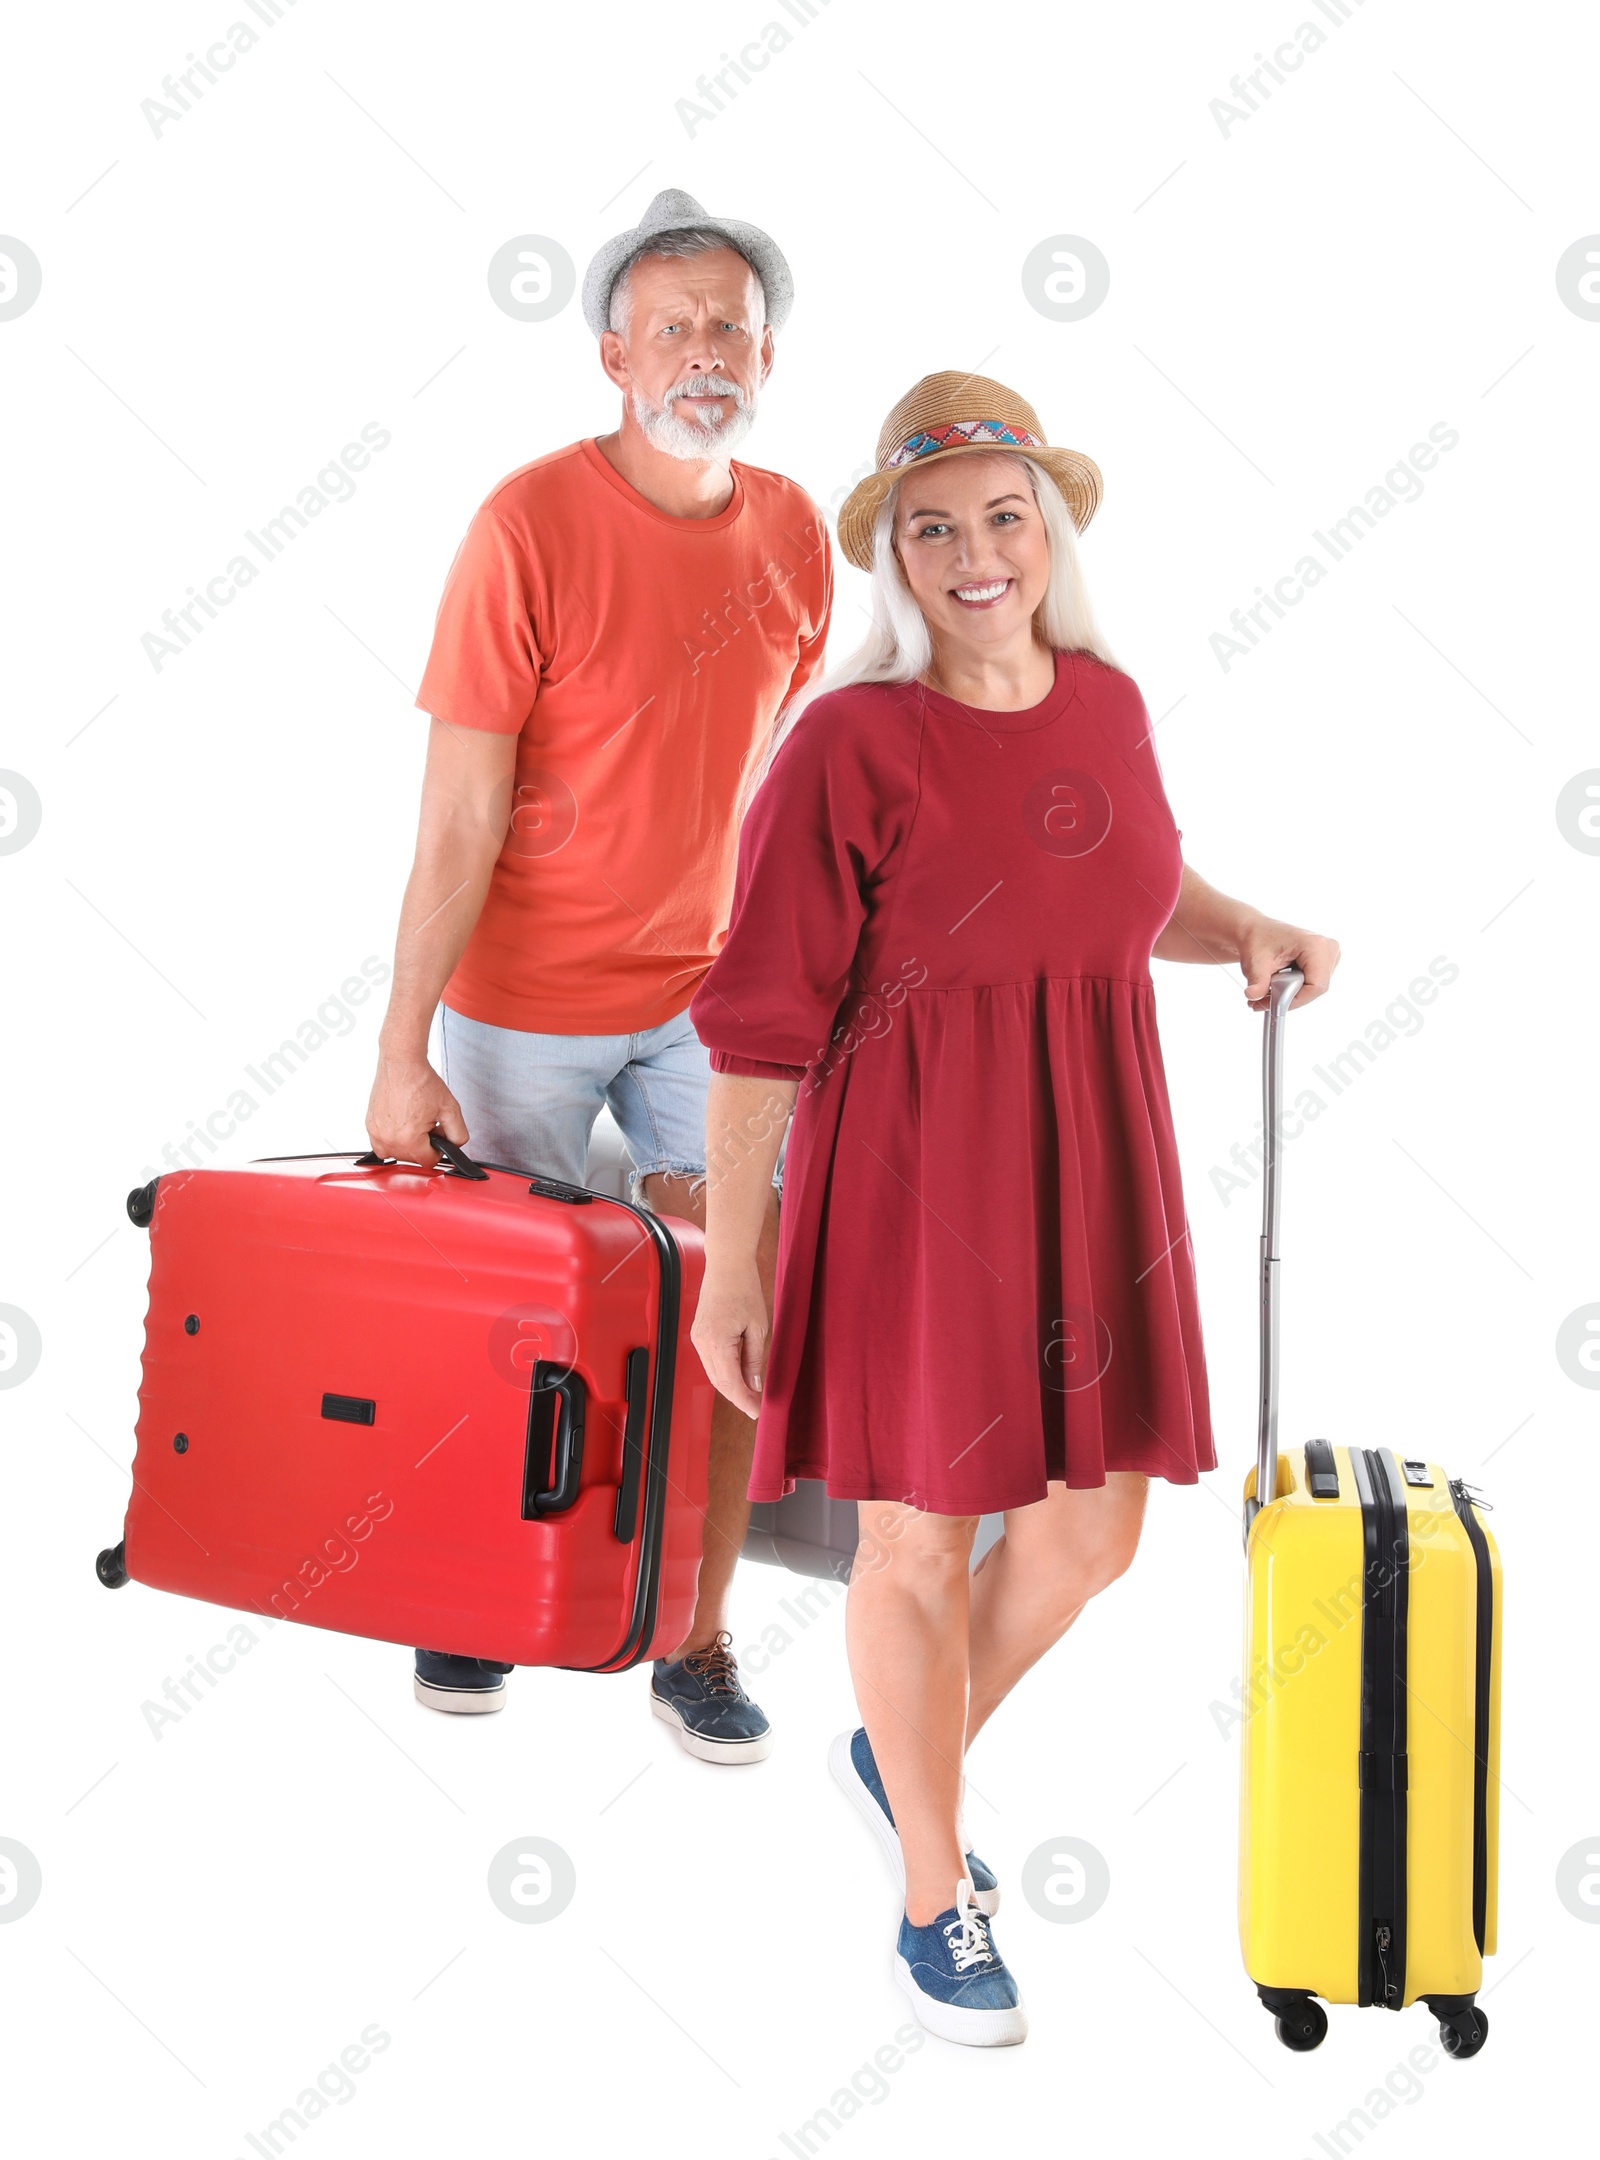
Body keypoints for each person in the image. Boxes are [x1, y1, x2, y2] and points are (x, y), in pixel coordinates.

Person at [687, 371, 1340, 2043]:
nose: (975, 552)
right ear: (894, 557)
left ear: (1046, 530)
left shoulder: (1106, 702)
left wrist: (1247, 920)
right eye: (934, 527)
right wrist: (737, 1263)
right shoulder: (852, 741)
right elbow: (760, 1026)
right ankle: (934, 1896)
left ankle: (904, 1746)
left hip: (1090, 1149)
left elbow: (1132, 880)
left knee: (1092, 1529)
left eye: (1002, 517)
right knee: (916, 1538)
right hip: (911, 1170)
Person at [365, 189, 833, 1759]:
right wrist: (400, 1047)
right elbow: (459, 813)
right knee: (523, 1325)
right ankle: (485, 1594)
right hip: (525, 1012)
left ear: (769, 352)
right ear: (614, 358)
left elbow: (770, 779)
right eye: (674, 325)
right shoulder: (528, 524)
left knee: (721, 1309)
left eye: (731, 326)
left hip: (712, 1012)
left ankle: (694, 1638)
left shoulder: (795, 533)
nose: (706, 349)